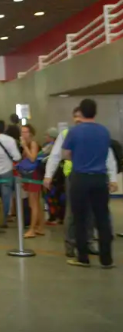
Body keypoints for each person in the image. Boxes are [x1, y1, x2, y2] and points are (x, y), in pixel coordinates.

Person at [44, 107, 116, 257]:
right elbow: (56, 155)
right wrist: (48, 175)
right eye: (75, 116)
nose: (77, 119)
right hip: (74, 177)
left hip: (92, 177)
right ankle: (71, 244)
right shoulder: (67, 133)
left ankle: (88, 242)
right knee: (73, 213)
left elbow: (108, 156)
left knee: (91, 213)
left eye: (80, 116)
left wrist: (113, 178)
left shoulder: (97, 133)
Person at [62, 99, 117, 268]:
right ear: (95, 112)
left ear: (81, 112)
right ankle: (106, 259)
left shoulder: (74, 131)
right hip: (100, 178)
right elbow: (106, 153)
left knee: (80, 218)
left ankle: (83, 258)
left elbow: (66, 154)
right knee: (102, 218)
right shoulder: (104, 131)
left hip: (80, 178)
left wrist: (79, 158)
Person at [20, 125, 45, 238]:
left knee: (33, 203)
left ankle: (32, 229)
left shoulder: (33, 143)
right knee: (36, 203)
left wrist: (25, 146)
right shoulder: (28, 144)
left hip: (34, 175)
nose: (23, 134)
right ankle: (40, 227)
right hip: (30, 175)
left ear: (30, 133)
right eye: (22, 132)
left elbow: (32, 158)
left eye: (25, 132)